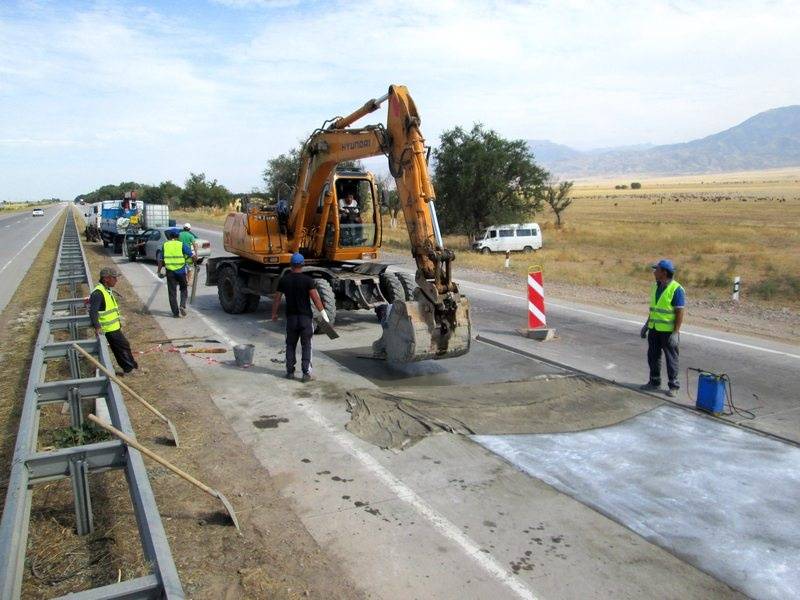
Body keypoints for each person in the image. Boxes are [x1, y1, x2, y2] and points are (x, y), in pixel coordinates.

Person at [271, 253, 326, 382]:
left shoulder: (284, 280)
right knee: (307, 345)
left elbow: (277, 299)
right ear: (303, 265)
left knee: (290, 345)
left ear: (291, 265)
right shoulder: (308, 280)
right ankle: (306, 373)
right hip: (305, 319)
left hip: (291, 319)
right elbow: (316, 298)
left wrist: (274, 314)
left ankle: (290, 372)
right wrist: (324, 315)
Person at [640, 259, 685, 397]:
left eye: (657, 269)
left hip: (668, 331)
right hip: (654, 328)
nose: (654, 272)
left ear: (663, 272)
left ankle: (674, 386)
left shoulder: (676, 289)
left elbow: (679, 312)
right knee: (653, 356)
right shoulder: (655, 286)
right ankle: (654, 382)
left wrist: (675, 332)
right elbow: (654, 309)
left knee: (671, 358)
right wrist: (646, 325)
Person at [89, 267, 140, 375]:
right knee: (121, 348)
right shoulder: (98, 293)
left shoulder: (106, 290)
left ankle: (132, 366)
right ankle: (129, 369)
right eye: (114, 278)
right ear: (106, 279)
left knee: (123, 346)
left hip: (114, 327)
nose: (116, 280)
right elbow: (93, 312)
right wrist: (97, 327)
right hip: (108, 329)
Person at [157, 229, 194, 318]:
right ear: (178, 237)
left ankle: (175, 313)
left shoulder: (165, 245)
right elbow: (192, 255)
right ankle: (182, 305)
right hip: (181, 271)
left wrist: (159, 271)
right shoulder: (181, 244)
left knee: (172, 292)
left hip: (170, 272)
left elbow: (161, 260)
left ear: (169, 237)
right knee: (184, 289)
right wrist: (194, 261)